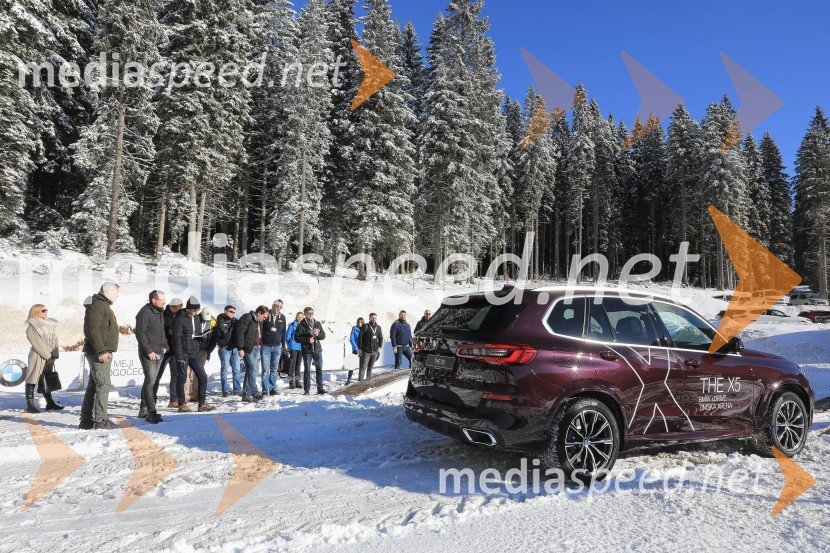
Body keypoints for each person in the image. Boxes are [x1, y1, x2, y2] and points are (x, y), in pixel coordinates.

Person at [80, 283, 121, 430]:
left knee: (94, 386)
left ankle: (86, 420)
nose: (118, 295)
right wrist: (101, 351)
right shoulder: (98, 304)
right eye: (116, 292)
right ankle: (101, 420)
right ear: (108, 292)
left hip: (100, 351)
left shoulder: (102, 304)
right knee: (103, 385)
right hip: (99, 352)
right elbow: (93, 329)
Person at [171, 296, 215, 412]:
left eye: (197, 310)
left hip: (194, 352)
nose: (196, 312)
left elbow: (197, 332)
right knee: (182, 378)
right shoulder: (180, 318)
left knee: (203, 377)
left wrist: (201, 337)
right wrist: (179, 356)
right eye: (194, 310)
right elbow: (177, 339)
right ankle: (182, 404)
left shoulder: (196, 318)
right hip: (183, 353)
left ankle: (201, 403)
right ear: (188, 308)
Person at [135, 290, 168, 423]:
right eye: (162, 299)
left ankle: (143, 409)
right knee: (150, 381)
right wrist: (149, 351)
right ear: (154, 300)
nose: (165, 301)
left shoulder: (159, 312)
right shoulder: (144, 312)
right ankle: (151, 412)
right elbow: (140, 333)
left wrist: (165, 345)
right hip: (149, 353)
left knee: (152, 381)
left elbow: (161, 331)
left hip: (160, 351)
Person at [24, 304, 63, 413]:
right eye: (43, 310)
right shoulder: (32, 326)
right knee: (32, 378)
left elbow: (54, 340)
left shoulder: (48, 325)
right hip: (38, 355)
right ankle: (30, 405)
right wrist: (48, 355)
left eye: (46, 309)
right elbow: (37, 343)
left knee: (46, 378)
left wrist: (54, 354)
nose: (46, 312)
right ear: (36, 312)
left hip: (49, 356)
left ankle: (50, 402)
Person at [236, 305, 269, 402]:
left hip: (256, 348)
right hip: (248, 348)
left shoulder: (259, 322)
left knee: (250, 371)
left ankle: (246, 394)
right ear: (259, 313)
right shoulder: (247, 317)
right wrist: (240, 348)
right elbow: (240, 332)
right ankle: (254, 393)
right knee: (252, 369)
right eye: (264, 317)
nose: (264, 319)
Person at [295, 307, 326, 395]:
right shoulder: (301, 325)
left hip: (317, 349)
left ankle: (320, 389)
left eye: (312, 313)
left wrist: (318, 334)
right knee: (307, 370)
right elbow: (296, 338)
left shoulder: (317, 323)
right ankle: (307, 389)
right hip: (307, 350)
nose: (311, 315)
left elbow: (323, 336)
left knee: (319, 369)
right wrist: (307, 340)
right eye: (309, 313)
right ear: (305, 314)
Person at [260, 300, 287, 396]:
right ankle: (265, 390)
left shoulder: (282, 317)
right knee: (265, 370)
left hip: (277, 347)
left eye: (280, 307)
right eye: (277, 306)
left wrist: (283, 345)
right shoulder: (266, 315)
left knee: (274, 369)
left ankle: (272, 388)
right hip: (266, 347)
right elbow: (261, 329)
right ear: (272, 306)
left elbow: (284, 332)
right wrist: (261, 342)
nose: (278, 308)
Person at [190, 307, 217, 400]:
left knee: (199, 373)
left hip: (203, 351)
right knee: (186, 373)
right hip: (191, 349)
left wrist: (208, 350)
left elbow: (214, 337)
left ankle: (195, 395)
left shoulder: (213, 322)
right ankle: (183, 395)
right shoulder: (194, 319)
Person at [215, 305, 241, 397]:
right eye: (231, 311)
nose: (232, 314)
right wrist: (234, 331)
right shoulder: (220, 319)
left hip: (234, 348)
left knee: (237, 370)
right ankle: (225, 390)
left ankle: (237, 389)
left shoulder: (235, 321)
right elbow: (224, 332)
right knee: (225, 369)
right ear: (225, 311)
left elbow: (239, 332)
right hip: (225, 347)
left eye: (234, 312)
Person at [162, 298, 184, 407]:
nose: (176, 309)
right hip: (164, 349)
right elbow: (160, 332)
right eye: (174, 307)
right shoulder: (163, 315)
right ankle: (150, 399)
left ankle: (173, 399)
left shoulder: (181, 316)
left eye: (179, 307)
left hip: (175, 350)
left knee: (175, 375)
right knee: (157, 375)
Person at [358, 312, 384, 381]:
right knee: (363, 367)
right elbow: (360, 337)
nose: (374, 319)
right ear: (369, 318)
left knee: (370, 368)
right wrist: (360, 348)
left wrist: (380, 346)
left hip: (374, 351)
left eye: (375, 318)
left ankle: (368, 381)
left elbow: (381, 337)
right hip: (366, 351)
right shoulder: (365, 326)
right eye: (372, 318)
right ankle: (360, 382)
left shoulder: (378, 327)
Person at [285, 312, 303, 389]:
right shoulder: (292, 325)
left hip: (301, 347)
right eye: (298, 317)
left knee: (298, 365)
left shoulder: (303, 326)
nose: (300, 318)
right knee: (292, 365)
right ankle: (291, 382)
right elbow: (287, 336)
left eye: (301, 317)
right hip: (293, 347)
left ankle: (297, 381)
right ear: (296, 317)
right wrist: (289, 345)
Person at [345, 317, 364, 385]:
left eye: (361, 322)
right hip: (356, 349)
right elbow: (352, 340)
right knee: (352, 364)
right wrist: (357, 349)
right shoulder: (354, 329)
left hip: (363, 349)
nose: (360, 323)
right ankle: (349, 379)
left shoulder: (365, 329)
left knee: (362, 365)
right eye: (358, 322)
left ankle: (360, 379)